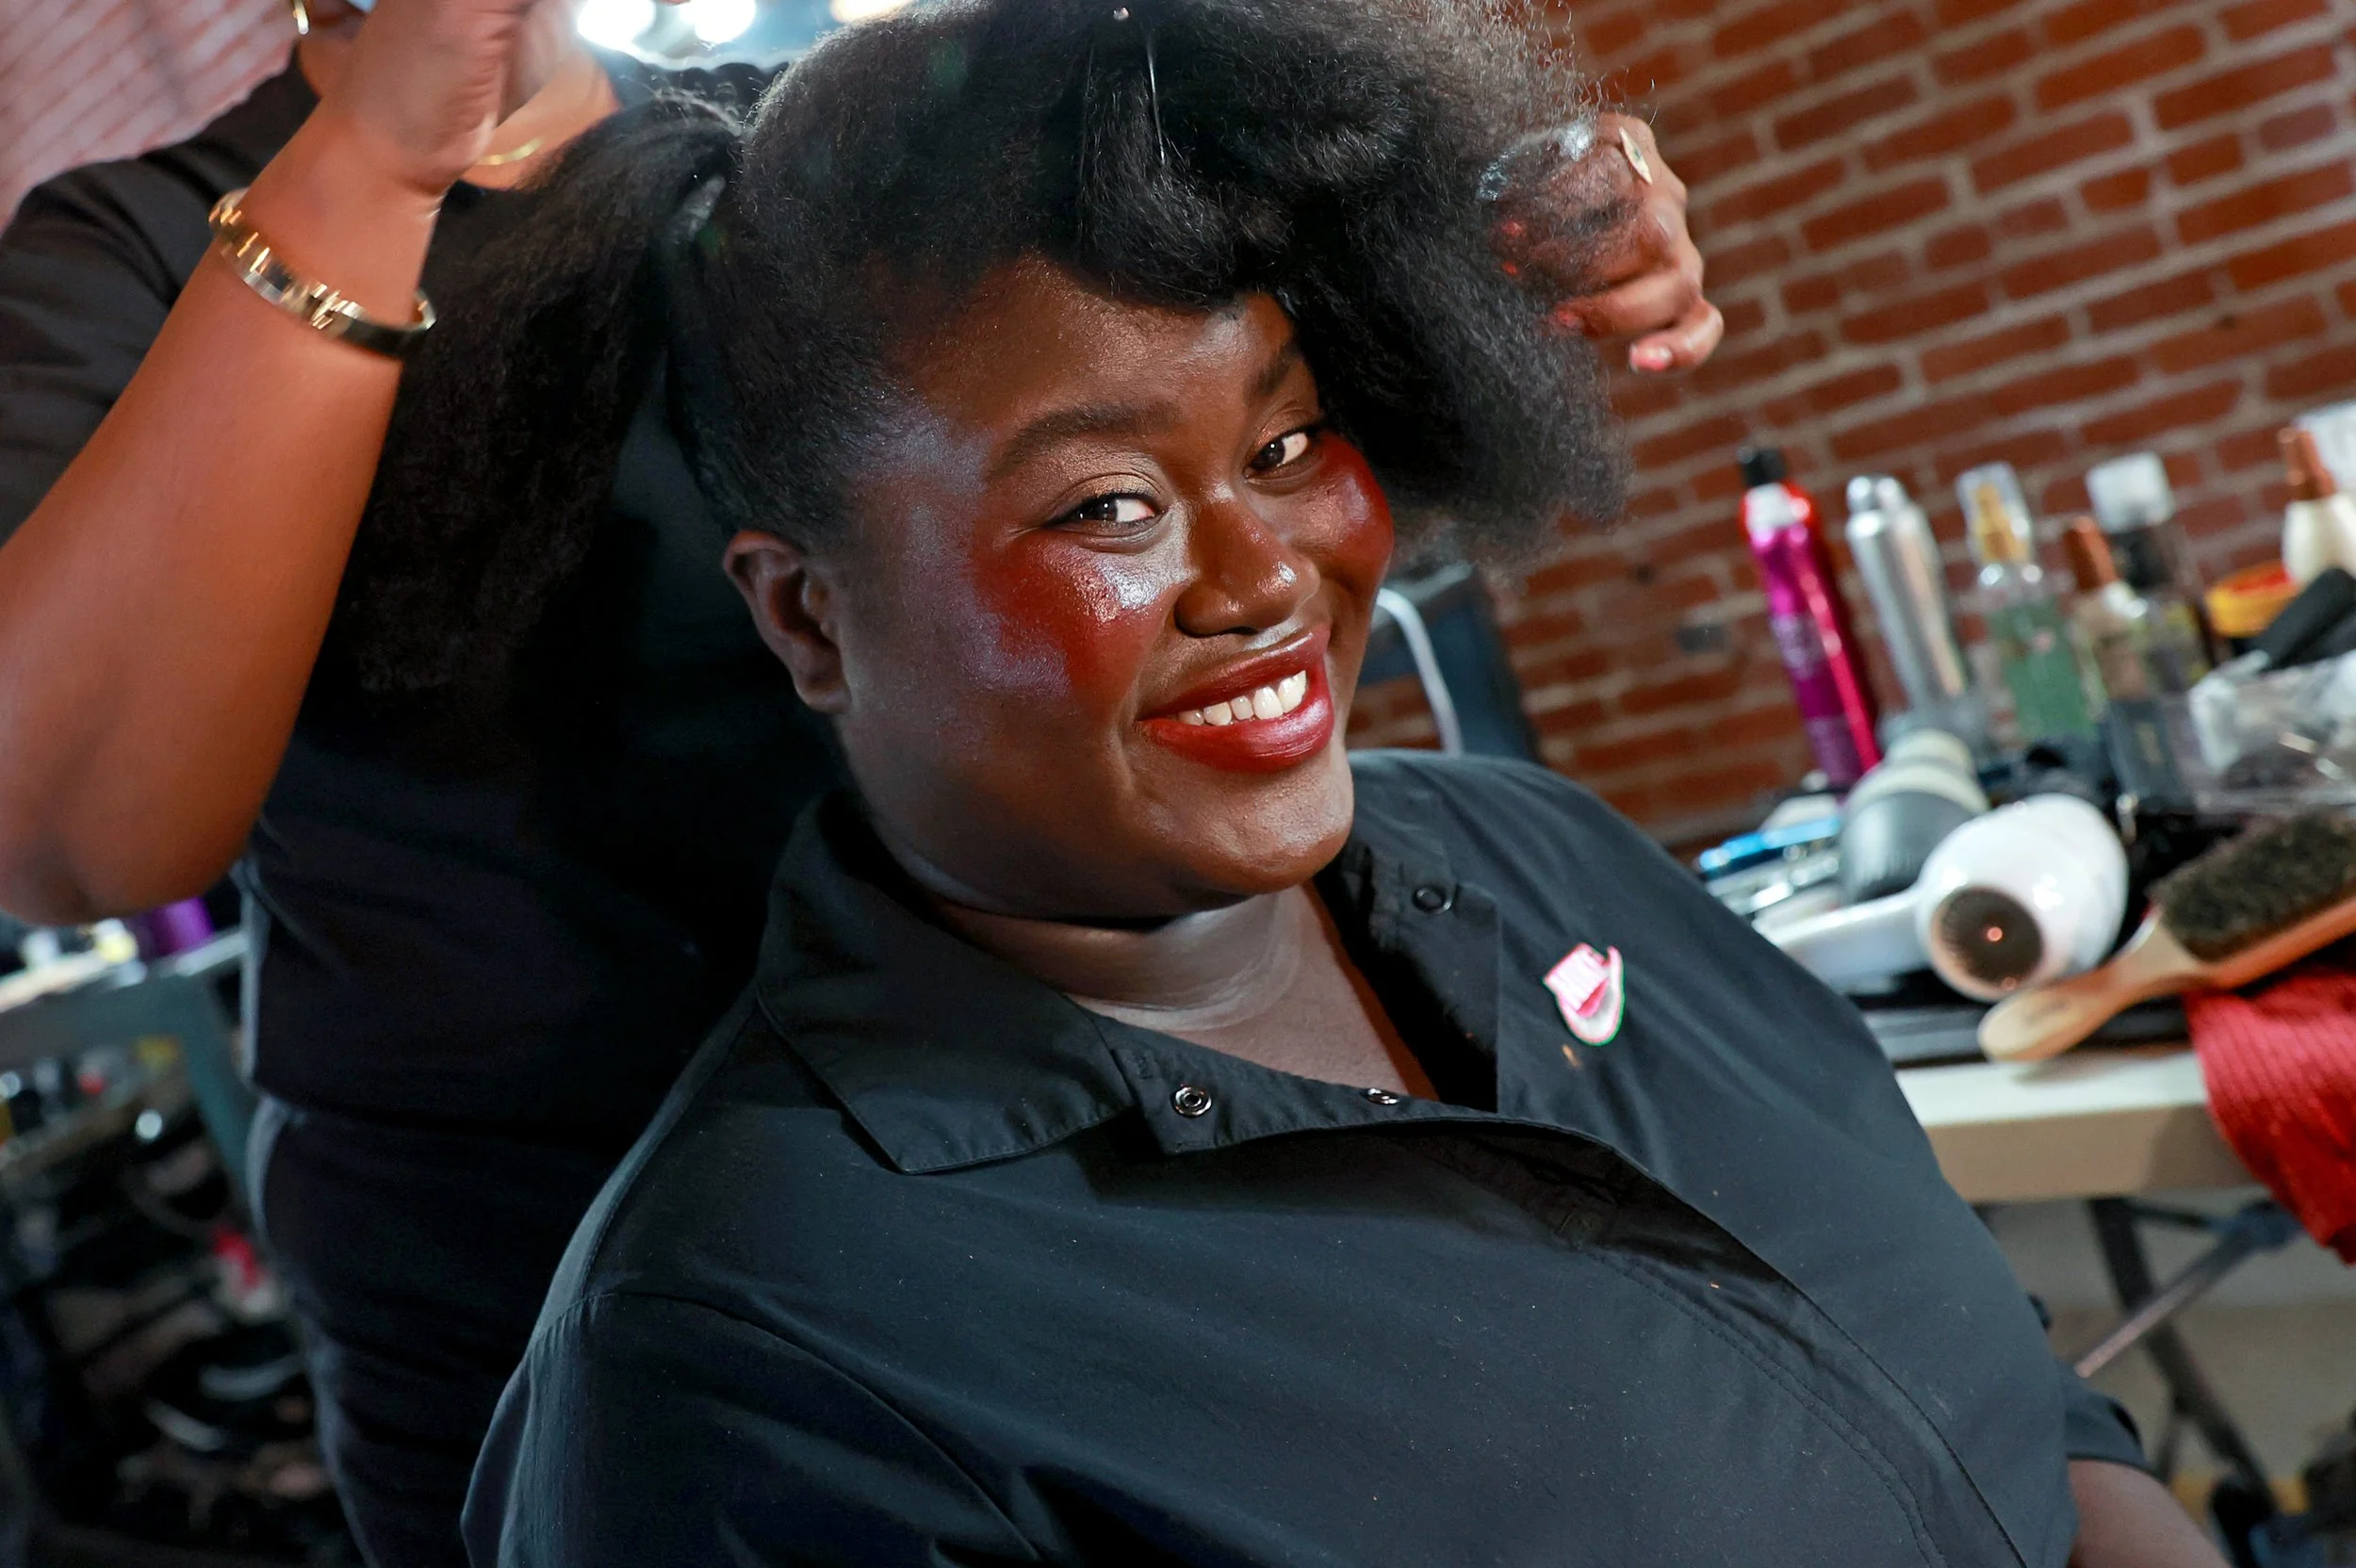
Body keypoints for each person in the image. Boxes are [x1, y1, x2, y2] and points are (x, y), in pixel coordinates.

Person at [437, 4, 2222, 1564]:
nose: (1264, 573)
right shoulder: (756, 1354)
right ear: (807, 617)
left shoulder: (1543, 858)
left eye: (1287, 442)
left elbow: (2001, 1405)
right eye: (1108, 507)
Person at [0, 0, 1718, 1560]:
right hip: (537, 1273)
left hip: (1038, 1176)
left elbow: (1218, 437)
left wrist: (1478, 234)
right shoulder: (135, 254)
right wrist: (388, 144)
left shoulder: (807, 157)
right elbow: (65, 833)